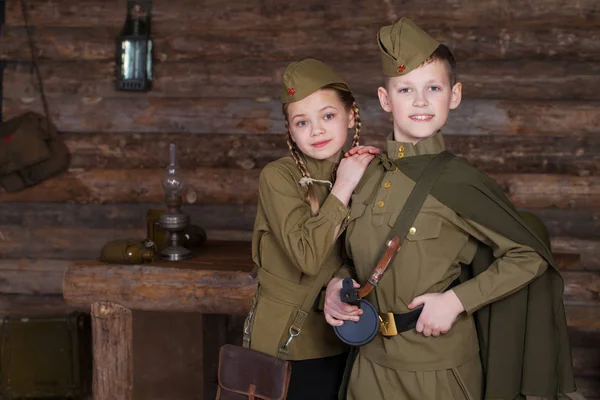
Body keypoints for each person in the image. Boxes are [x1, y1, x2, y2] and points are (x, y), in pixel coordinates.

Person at [323, 17, 575, 400]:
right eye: (406, 89)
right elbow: (353, 257)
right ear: (385, 99)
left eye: (433, 88)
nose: (420, 101)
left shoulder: (461, 181)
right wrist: (335, 285)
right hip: (368, 364)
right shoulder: (367, 173)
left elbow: (528, 255)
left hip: (438, 370)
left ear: (454, 95)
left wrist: (457, 301)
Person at [245, 58, 379, 400]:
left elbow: (365, 249)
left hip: (346, 339)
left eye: (328, 116)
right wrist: (344, 188)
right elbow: (306, 256)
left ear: (351, 116)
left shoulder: (365, 173)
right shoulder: (279, 178)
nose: (316, 130)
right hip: (287, 349)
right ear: (290, 129)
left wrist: (341, 279)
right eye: (302, 122)